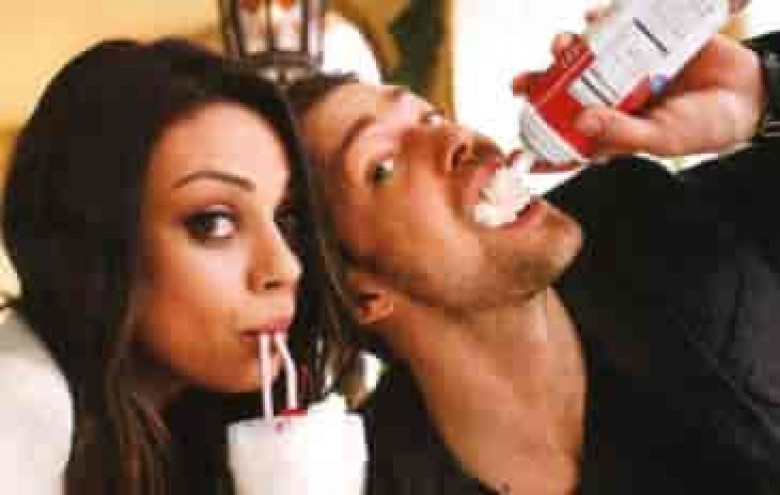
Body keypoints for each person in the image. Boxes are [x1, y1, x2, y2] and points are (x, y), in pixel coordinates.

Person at [286, 27, 780, 494]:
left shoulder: (640, 220)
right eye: (383, 166)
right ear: (362, 294)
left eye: (429, 117)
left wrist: (762, 91)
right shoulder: (365, 481)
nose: (455, 138)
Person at [0, 38, 351, 495]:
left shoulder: (189, 429)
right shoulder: (18, 414)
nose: (286, 267)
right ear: (95, 240)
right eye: (214, 222)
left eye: (285, 218)